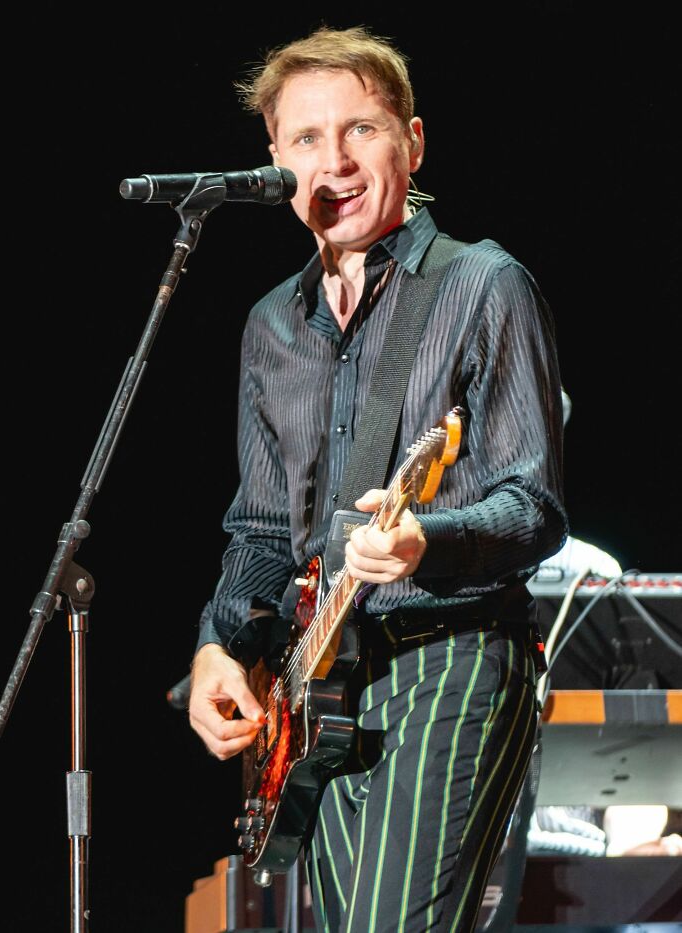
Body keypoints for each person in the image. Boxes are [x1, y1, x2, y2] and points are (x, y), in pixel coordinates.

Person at [188, 25, 568, 933]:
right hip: (322, 689)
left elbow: (534, 505)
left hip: (454, 655)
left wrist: (423, 539)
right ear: (275, 160)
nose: (337, 160)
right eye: (308, 139)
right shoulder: (270, 327)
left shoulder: (483, 284)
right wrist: (217, 647)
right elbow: (263, 532)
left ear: (414, 141)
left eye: (361, 129)